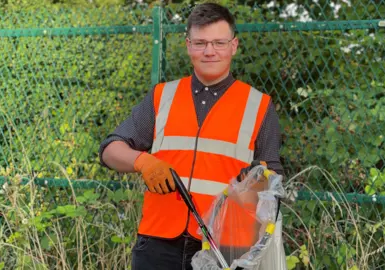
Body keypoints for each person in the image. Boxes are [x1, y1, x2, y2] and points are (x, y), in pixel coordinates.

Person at [98, 3, 283, 269]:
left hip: (225, 249)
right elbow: (110, 149)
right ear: (188, 45)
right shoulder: (162, 96)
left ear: (234, 45)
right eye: (200, 43)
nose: (209, 51)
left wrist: (254, 187)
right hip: (158, 242)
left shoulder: (259, 106)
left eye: (219, 42)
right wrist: (143, 162)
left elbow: (273, 182)